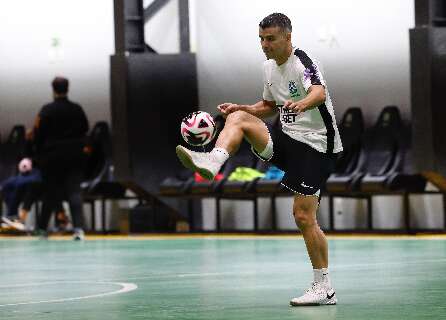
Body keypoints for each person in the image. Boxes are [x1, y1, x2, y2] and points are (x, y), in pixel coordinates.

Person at [176, 13, 343, 306]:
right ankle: (213, 161)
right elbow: (268, 105)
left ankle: (324, 288)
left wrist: (301, 103)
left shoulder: (302, 60)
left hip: (318, 147)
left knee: (304, 217)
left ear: (287, 38)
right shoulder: (268, 68)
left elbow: (319, 92)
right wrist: (244, 107)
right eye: (261, 40)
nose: (264, 45)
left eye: (271, 39)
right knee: (240, 118)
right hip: (289, 142)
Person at [33, 76, 89, 240]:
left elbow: (38, 134)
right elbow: (85, 128)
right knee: (74, 192)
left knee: (50, 193)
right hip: (74, 156)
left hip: (52, 157)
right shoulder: (76, 109)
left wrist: (39, 154)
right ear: (67, 88)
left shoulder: (46, 110)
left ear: (53, 89)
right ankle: (78, 228)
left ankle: (43, 229)